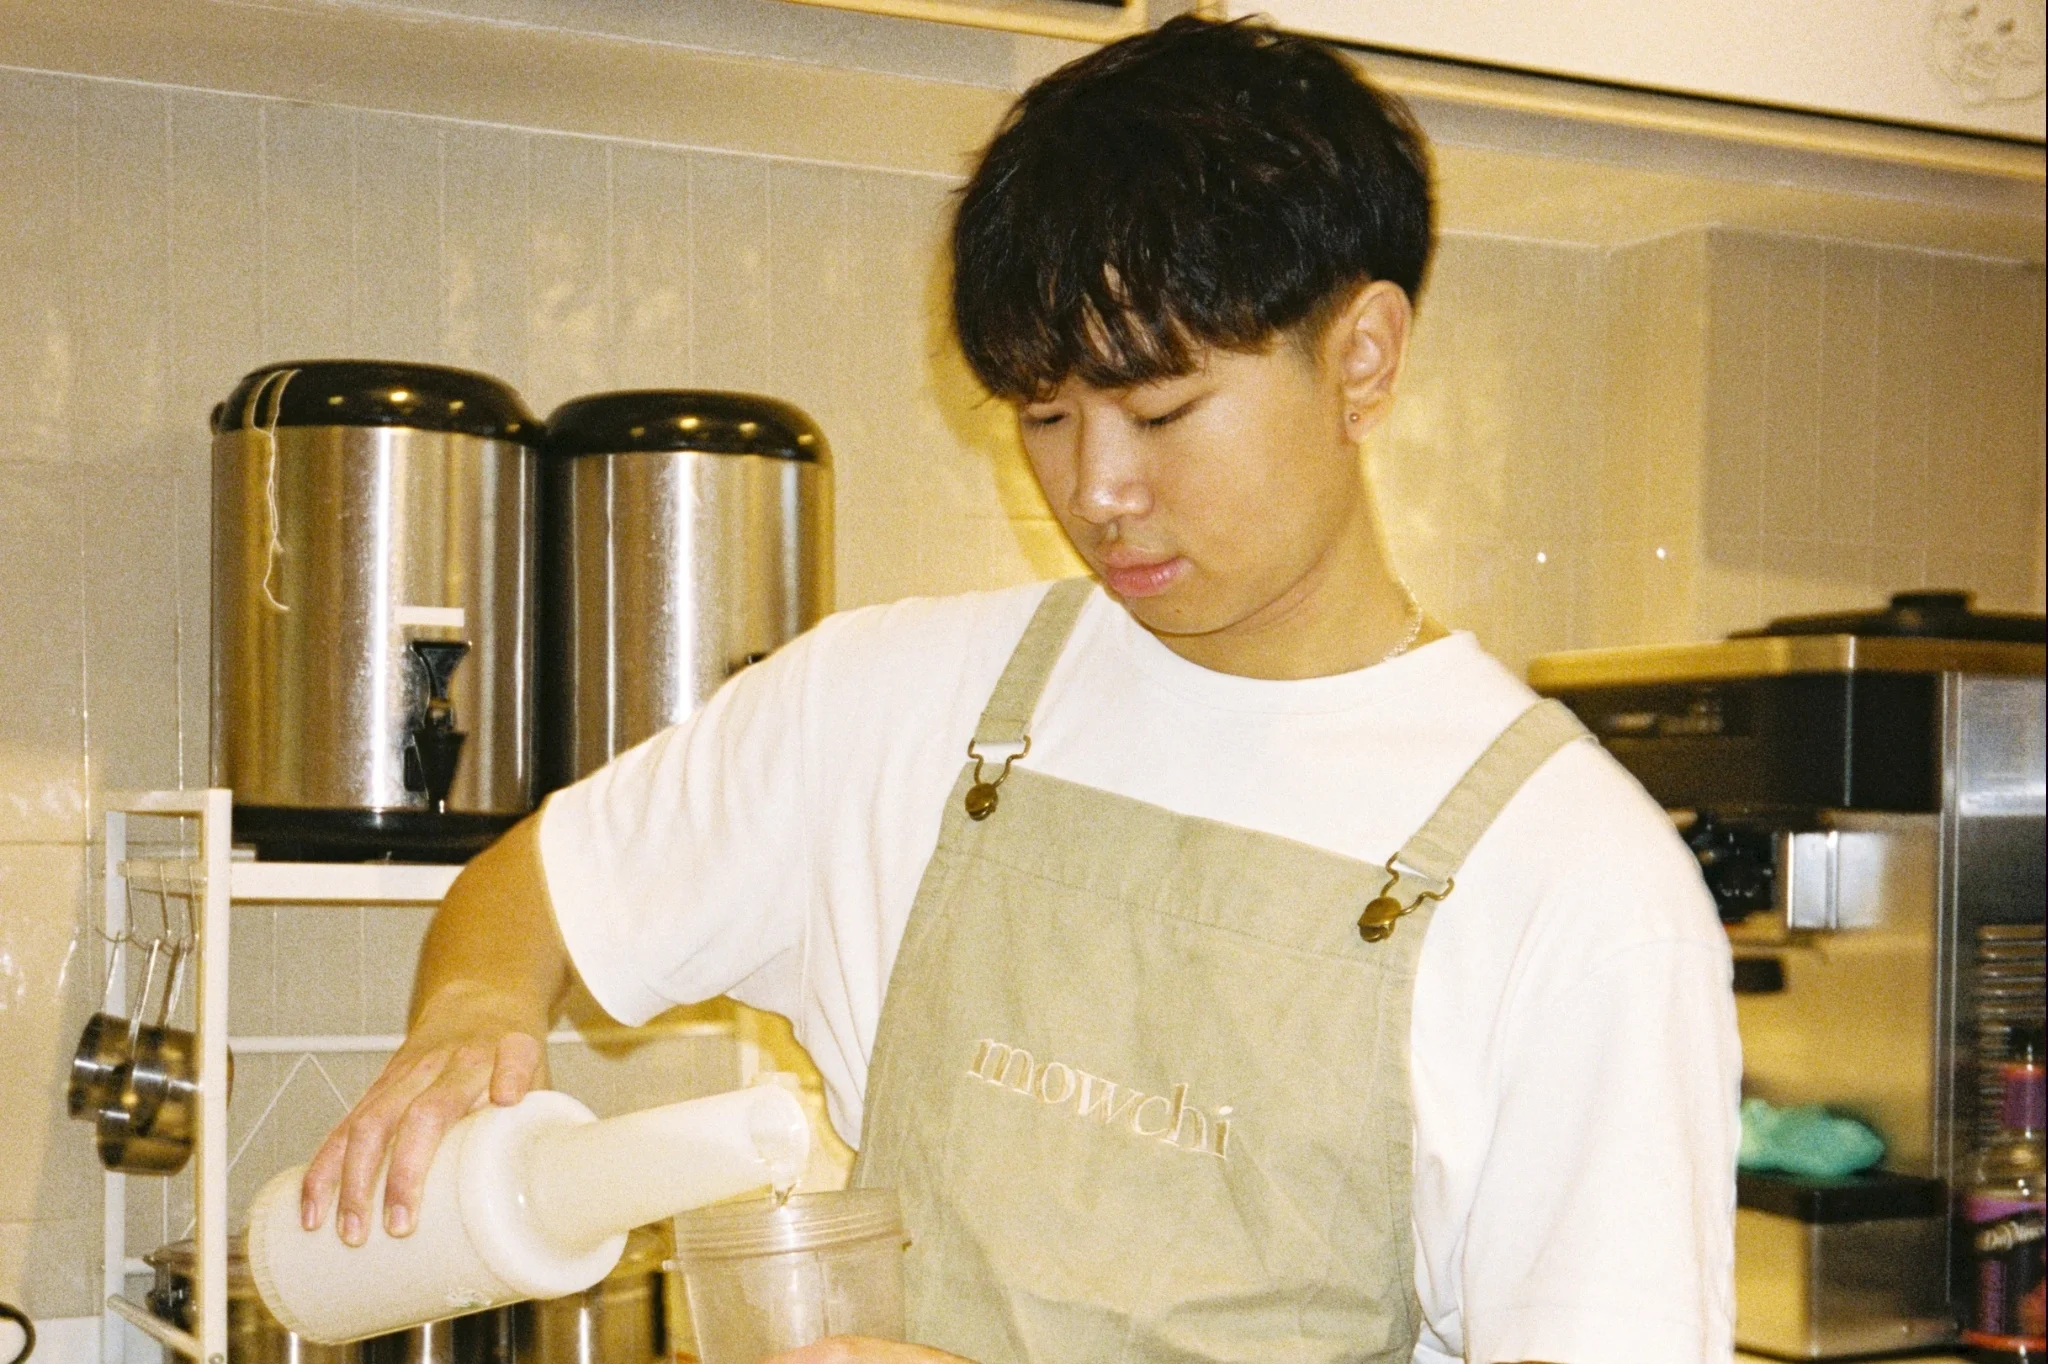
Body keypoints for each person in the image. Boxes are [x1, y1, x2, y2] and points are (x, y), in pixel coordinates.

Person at [302, 16, 1740, 1363]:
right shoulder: (894, 700)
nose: (1098, 489)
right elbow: (538, 888)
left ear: (1360, 355)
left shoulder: (1574, 885)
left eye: (1163, 409)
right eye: (1044, 416)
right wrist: (474, 1005)